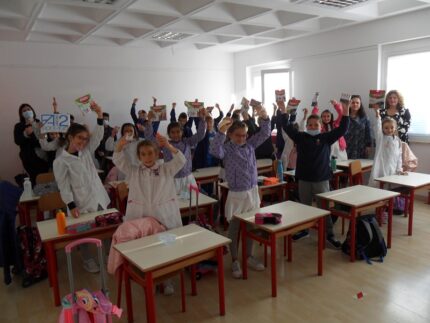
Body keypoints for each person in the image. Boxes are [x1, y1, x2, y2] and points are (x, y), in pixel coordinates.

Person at [113, 135, 185, 296]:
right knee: (147, 248)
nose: (147, 157)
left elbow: (181, 160)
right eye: (143, 154)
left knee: (167, 245)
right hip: (142, 215)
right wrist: (120, 145)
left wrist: (167, 144)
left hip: (164, 214)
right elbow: (118, 160)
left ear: (157, 153)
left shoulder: (166, 169)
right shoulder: (134, 171)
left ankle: (167, 279)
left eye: (151, 153)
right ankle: (150, 277)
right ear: (138, 156)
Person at [209, 106, 270, 279]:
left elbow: (265, 134)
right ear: (230, 135)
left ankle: (249, 256)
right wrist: (220, 133)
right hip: (237, 195)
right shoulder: (227, 149)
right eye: (238, 135)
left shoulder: (249, 145)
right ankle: (235, 259)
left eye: (244, 135)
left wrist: (264, 117)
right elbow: (214, 150)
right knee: (235, 228)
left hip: (252, 191)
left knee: (250, 226)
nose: (242, 138)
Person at [280, 99, 350, 248]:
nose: (312, 127)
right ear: (306, 126)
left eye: (315, 125)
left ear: (320, 127)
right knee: (304, 207)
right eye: (310, 125)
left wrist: (346, 111)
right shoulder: (301, 137)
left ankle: (329, 234)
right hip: (304, 179)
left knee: (324, 209)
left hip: (321, 179)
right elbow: (286, 127)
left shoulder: (325, 138)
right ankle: (304, 230)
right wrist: (283, 111)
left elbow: (342, 129)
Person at [53, 101, 110, 273]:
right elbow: (63, 186)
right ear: (70, 137)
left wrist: (99, 115)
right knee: (84, 232)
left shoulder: (86, 152)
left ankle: (109, 255)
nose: (83, 142)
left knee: (106, 226)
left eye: (85, 139)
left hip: (98, 196)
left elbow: (98, 136)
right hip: (80, 201)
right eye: (79, 138)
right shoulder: (61, 161)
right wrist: (71, 205)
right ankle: (87, 259)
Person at [147, 108, 206, 196]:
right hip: (171, 179)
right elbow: (150, 139)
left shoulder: (187, 142)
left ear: (182, 132)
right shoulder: (164, 143)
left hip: (187, 178)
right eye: (172, 132)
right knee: (174, 205)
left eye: (178, 132)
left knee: (190, 202)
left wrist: (202, 119)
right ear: (169, 133)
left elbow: (200, 135)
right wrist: (149, 122)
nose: (175, 134)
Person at [14, 103, 50, 185]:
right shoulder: (19, 126)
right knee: (35, 180)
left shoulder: (40, 123)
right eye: (24, 111)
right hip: (29, 159)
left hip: (43, 157)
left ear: (32, 111)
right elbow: (17, 141)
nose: (27, 111)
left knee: (47, 179)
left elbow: (44, 139)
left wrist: (37, 133)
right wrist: (25, 134)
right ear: (21, 114)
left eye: (29, 109)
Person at [368, 107, 404, 187]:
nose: (389, 130)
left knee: (390, 188)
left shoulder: (397, 140)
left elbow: (399, 157)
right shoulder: (380, 138)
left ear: (395, 128)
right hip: (381, 168)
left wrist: (399, 169)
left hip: (393, 168)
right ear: (382, 129)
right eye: (386, 128)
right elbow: (377, 128)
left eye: (392, 127)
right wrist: (378, 115)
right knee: (379, 188)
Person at [344, 95, 372, 159]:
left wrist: (368, 145)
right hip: (347, 146)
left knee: (359, 167)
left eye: (357, 103)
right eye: (353, 102)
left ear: (360, 104)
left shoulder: (365, 118)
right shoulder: (345, 117)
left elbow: (368, 132)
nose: (355, 104)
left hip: (360, 147)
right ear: (349, 104)